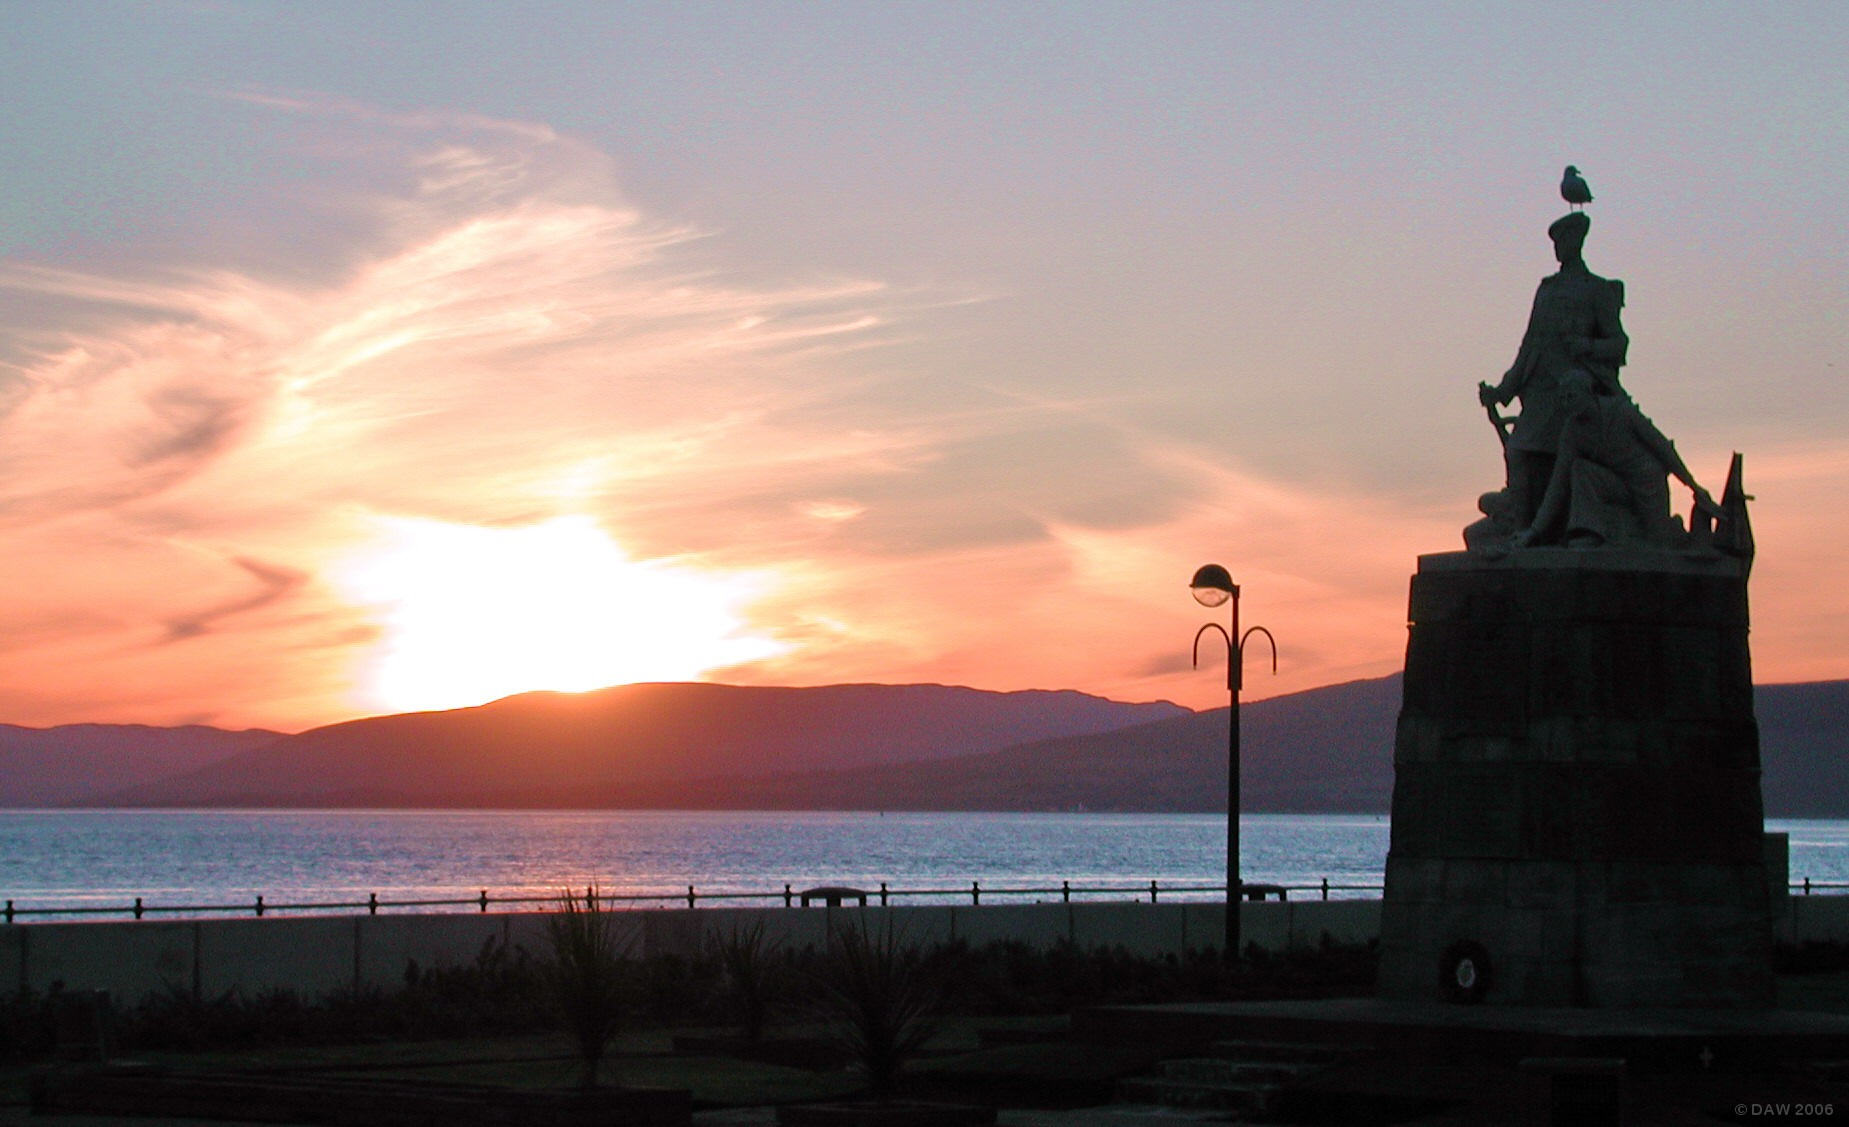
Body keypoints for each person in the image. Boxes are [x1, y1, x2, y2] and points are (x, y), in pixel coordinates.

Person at [1478, 212, 1630, 526]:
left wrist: (1586, 346)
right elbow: (1530, 343)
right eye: (1556, 242)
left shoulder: (1597, 289)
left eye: (1564, 241)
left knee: (1562, 462)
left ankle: (1553, 528)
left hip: (1573, 394)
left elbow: (1618, 343)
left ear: (1578, 242)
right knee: (1518, 453)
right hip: (1538, 392)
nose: (1559, 248)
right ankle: (1521, 529)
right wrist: (1503, 391)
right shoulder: (1547, 289)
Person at [1516, 372, 1723, 549]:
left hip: (1646, 482)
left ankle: (1679, 530)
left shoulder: (1620, 411)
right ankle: (1590, 532)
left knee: (1661, 543)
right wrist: (1534, 531)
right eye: (1563, 399)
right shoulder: (1572, 433)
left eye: (1571, 396)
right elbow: (1558, 484)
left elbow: (1660, 446)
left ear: (1587, 392)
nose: (1568, 403)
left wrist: (1692, 485)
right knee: (1580, 469)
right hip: (1614, 483)